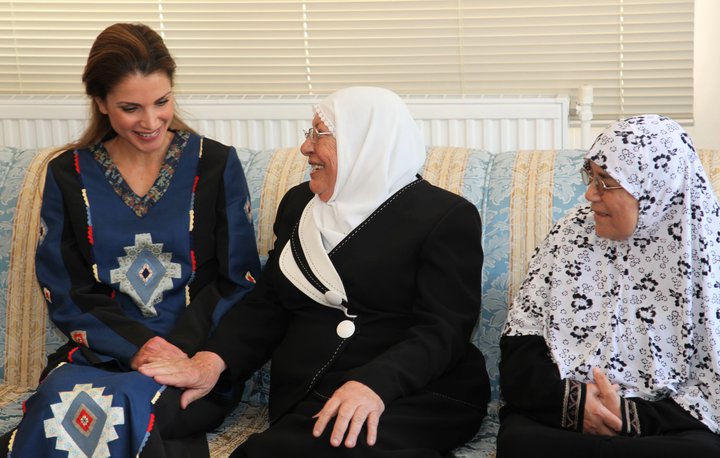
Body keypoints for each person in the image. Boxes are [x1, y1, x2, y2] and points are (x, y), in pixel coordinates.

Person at [140, 86, 490, 457]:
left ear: (364, 142)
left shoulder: (445, 217)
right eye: (309, 133)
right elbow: (268, 305)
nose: (305, 147)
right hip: (313, 389)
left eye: (319, 134)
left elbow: (444, 330)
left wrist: (374, 385)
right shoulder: (299, 204)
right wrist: (211, 361)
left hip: (415, 390)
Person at [0, 23, 261, 457]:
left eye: (162, 102)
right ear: (101, 103)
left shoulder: (215, 164)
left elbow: (240, 280)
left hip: (191, 363)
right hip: (100, 356)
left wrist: (175, 352)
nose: (151, 121)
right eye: (130, 108)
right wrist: (135, 346)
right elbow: (64, 289)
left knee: (113, 409)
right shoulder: (68, 174)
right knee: (62, 406)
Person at [497, 114, 720, 457]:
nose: (590, 194)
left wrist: (629, 417)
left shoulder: (706, 252)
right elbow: (520, 342)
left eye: (606, 182)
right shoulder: (570, 234)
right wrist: (575, 403)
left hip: (664, 425)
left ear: (655, 188)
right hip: (563, 415)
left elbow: (712, 386)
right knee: (521, 442)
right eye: (591, 176)